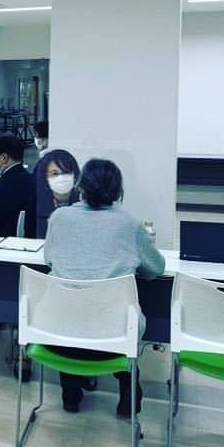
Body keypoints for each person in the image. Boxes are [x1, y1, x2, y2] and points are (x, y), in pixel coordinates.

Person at [44, 158, 165, 415]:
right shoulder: (130, 224)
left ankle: (71, 396)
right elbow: (156, 269)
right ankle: (128, 395)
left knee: (72, 310)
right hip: (114, 339)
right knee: (115, 319)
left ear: (80, 187)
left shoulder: (59, 218)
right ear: (118, 191)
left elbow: (49, 259)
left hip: (58, 335)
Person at [24, 149, 80, 238]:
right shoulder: (35, 203)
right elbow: (30, 237)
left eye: (66, 172)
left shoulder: (84, 201)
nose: (61, 178)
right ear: (46, 178)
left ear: (75, 175)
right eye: (55, 174)